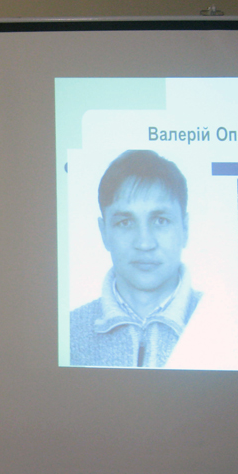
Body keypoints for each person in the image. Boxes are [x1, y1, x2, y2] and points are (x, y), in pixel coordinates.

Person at [70, 150, 202, 368]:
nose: (144, 243)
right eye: (125, 222)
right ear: (104, 233)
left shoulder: (225, 323)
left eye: (160, 220)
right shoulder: (68, 331)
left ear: (185, 229)